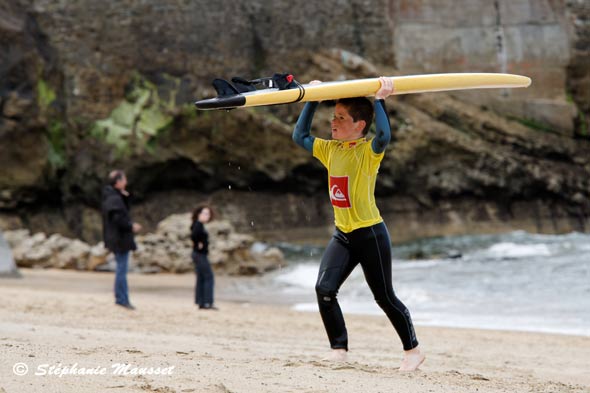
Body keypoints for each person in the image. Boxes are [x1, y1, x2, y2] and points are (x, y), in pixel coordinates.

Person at [292, 77, 425, 371]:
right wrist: (312, 98)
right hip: (343, 235)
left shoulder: (368, 153)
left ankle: (412, 350)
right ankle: (339, 348)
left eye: (341, 118)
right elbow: (299, 136)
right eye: (333, 116)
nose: (333, 122)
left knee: (384, 297)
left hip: (370, 234)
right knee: (324, 289)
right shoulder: (329, 149)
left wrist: (380, 100)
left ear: (359, 125)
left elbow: (384, 137)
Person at [102, 170, 142, 310]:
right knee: (121, 269)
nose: (126, 182)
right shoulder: (114, 199)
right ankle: (122, 298)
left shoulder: (113, 197)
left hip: (116, 238)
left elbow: (122, 211)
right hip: (119, 239)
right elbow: (118, 219)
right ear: (118, 182)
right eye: (124, 180)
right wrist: (131, 226)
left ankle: (121, 298)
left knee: (121, 268)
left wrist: (126, 196)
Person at [191, 205, 217, 310]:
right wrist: (198, 243)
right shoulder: (198, 225)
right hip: (199, 254)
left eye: (208, 214)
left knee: (201, 278)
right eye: (205, 213)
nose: (207, 216)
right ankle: (207, 302)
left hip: (198, 254)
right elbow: (194, 236)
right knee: (209, 277)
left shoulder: (198, 225)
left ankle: (201, 302)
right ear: (199, 214)